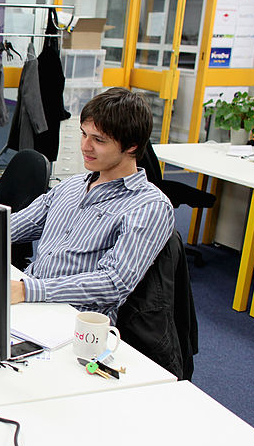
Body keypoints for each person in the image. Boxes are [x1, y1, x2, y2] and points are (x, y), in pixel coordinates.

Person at [10, 87, 174, 323]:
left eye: (98, 140)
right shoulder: (73, 185)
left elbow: (114, 282)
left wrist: (29, 290)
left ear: (132, 147)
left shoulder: (148, 206)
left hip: (74, 320)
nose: (85, 146)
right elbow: (18, 224)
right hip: (30, 298)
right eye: (83, 134)